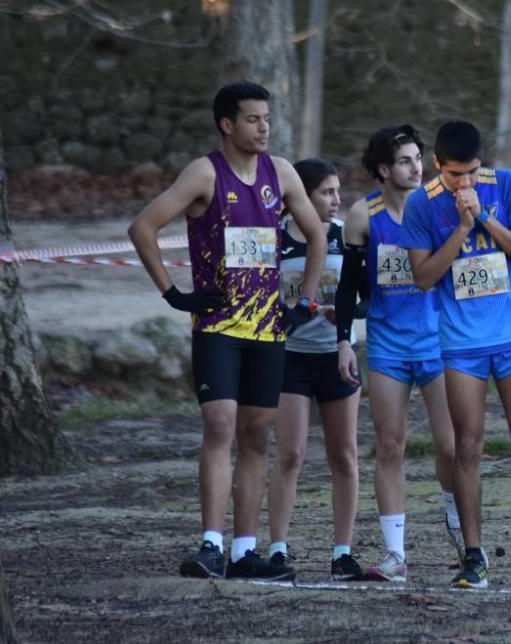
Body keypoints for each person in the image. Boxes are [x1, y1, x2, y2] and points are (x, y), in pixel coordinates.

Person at [128, 81, 327, 580]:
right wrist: (175, 294)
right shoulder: (204, 174)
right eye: (253, 119)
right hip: (218, 325)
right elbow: (142, 228)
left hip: (267, 329)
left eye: (267, 118)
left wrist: (303, 300)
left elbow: (319, 233)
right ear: (227, 124)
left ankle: (244, 551)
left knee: (257, 435)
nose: (264, 127)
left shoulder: (280, 173)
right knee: (220, 427)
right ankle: (211, 544)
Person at [398, 120, 511, 589]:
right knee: (467, 446)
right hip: (462, 346)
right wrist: (463, 227)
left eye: (471, 172)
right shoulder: (420, 205)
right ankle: (473, 555)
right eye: (455, 175)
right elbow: (424, 277)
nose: (465, 183)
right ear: (436, 166)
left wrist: (486, 219)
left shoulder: (505, 185)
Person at [334, 124, 462, 583]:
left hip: (439, 340)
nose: (417, 167)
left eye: (418, 159)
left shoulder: (437, 207)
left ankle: (457, 522)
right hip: (388, 343)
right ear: (384, 170)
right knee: (390, 445)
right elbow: (348, 286)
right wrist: (344, 340)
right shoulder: (362, 216)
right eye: (406, 161)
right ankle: (395, 554)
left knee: (450, 445)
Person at [265, 158, 365, 581]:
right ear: (301, 196)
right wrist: (287, 312)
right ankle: (277, 549)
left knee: (344, 456)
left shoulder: (346, 236)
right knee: (290, 454)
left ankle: (342, 552)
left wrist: (339, 315)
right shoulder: (274, 241)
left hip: (337, 357)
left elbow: (367, 300)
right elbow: (260, 299)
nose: (336, 200)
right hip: (290, 359)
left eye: (338, 191)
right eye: (326, 192)